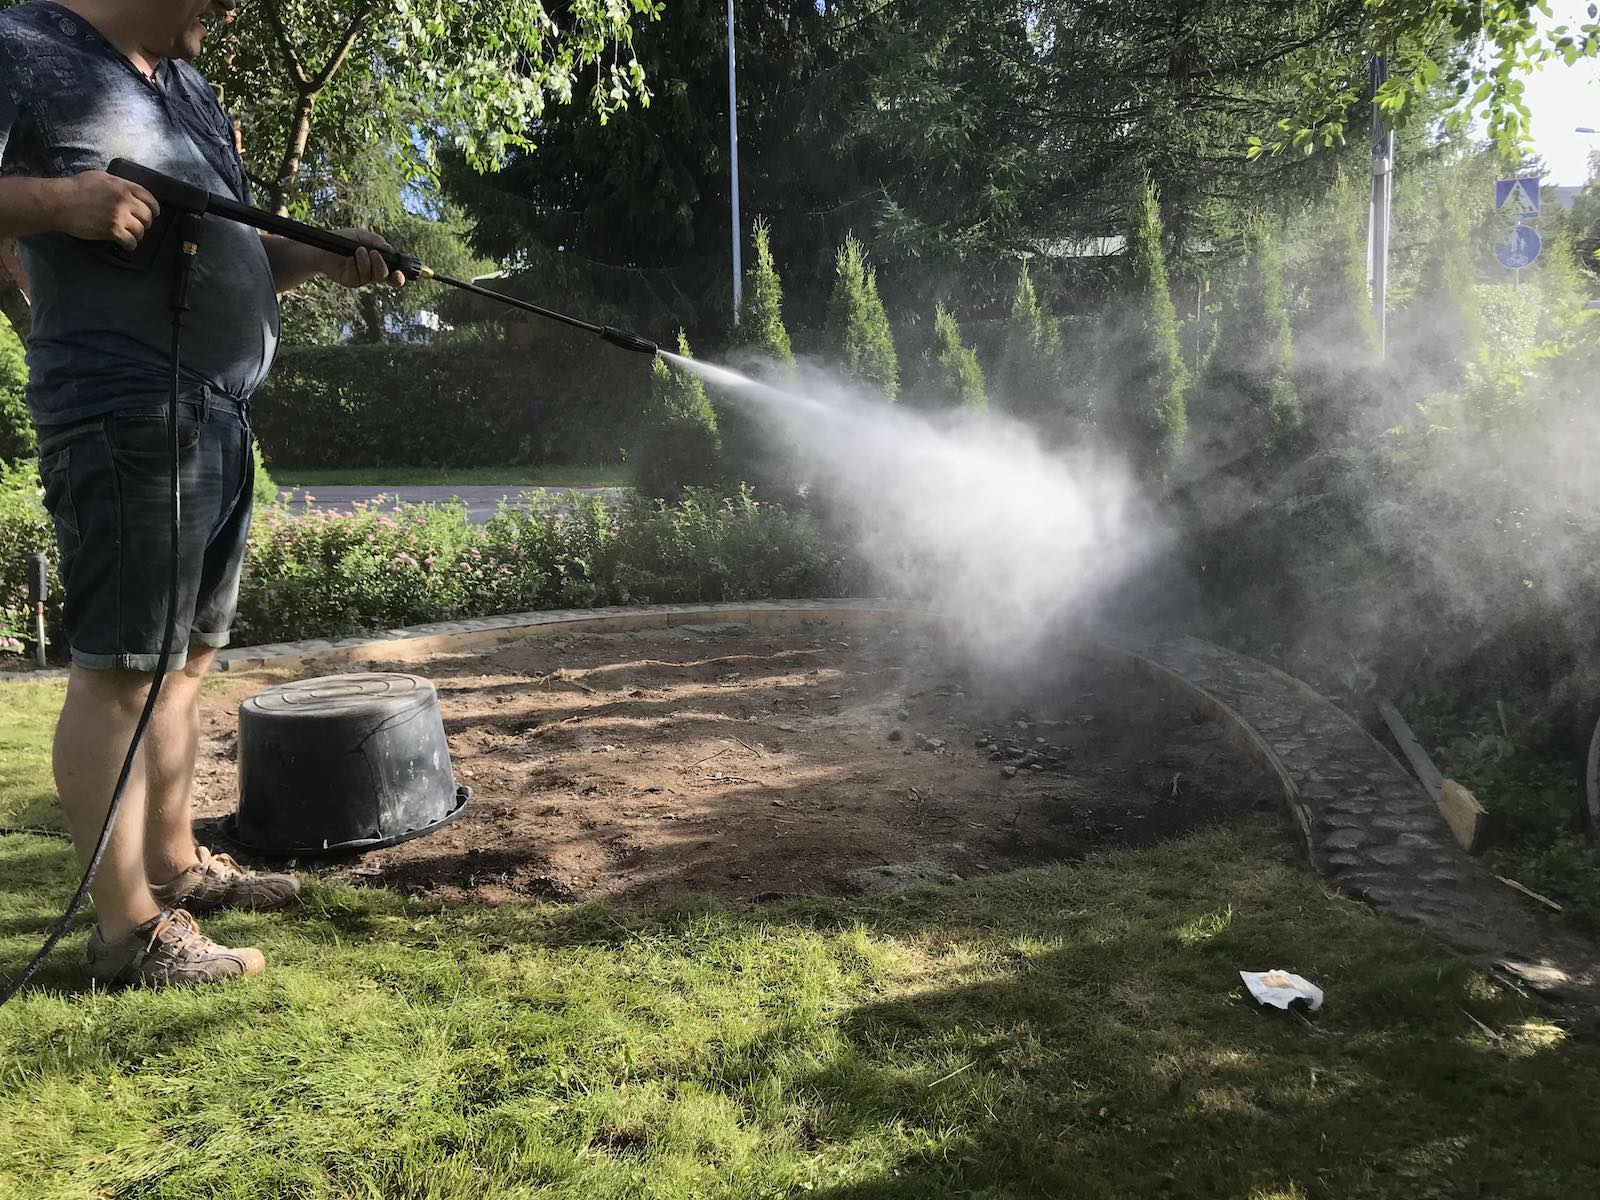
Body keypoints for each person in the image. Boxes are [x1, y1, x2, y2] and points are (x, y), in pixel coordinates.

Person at [0, 0, 406, 988]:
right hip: (123, 409)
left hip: (214, 413)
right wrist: (60, 204)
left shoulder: (185, 88)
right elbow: (59, 210)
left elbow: (236, 254)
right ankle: (126, 934)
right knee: (121, 670)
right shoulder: (20, 47)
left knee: (184, 662)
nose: (230, 8)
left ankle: (175, 866)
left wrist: (326, 255)